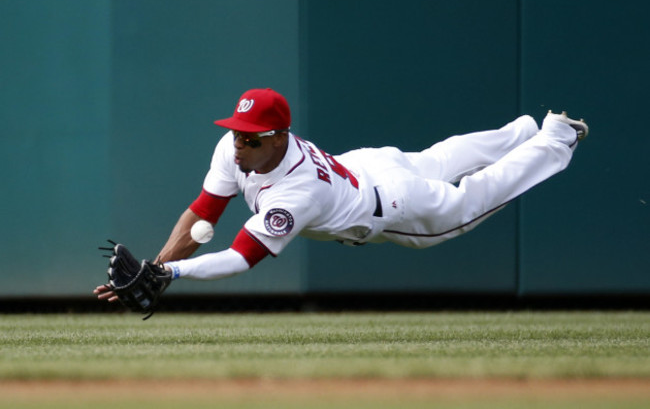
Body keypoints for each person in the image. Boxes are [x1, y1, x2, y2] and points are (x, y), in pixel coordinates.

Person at [95, 88, 588, 302]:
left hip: (392, 204)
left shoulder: (295, 192)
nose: (239, 142)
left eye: (251, 136)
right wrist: (157, 268)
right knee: (440, 157)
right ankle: (522, 130)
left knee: (468, 202)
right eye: (238, 131)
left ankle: (553, 139)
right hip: (366, 165)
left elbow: (243, 258)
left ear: (280, 136)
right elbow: (204, 212)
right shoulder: (235, 148)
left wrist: (167, 272)